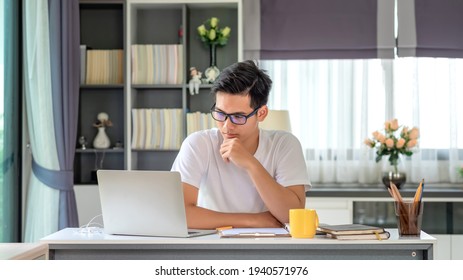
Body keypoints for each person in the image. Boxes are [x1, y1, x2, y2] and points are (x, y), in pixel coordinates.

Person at [171, 60, 310, 229]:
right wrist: (253, 220)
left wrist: (251, 164)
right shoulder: (198, 144)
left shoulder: (284, 144)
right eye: (220, 114)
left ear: (261, 113)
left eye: (238, 117)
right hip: (212, 244)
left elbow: (291, 215)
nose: (227, 126)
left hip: (269, 247)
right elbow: (179, 214)